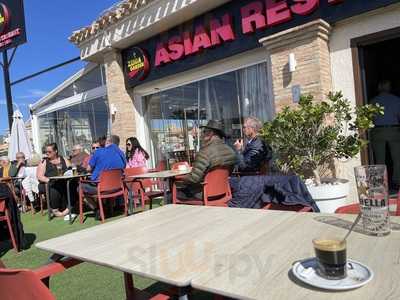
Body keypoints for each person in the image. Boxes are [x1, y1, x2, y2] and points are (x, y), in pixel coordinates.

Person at [175, 120, 237, 200]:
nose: (202, 134)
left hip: (205, 193)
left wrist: (180, 178)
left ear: (210, 133)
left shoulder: (204, 152)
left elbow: (194, 179)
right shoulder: (230, 151)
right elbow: (228, 173)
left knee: (173, 194)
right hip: (223, 191)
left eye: (204, 131)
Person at [370, 80, 400, 190]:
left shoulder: (373, 101)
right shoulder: (396, 100)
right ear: (389, 87)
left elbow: (370, 118)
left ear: (379, 87)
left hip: (378, 131)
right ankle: (397, 181)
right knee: (397, 158)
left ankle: (380, 183)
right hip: (393, 129)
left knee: (379, 159)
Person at [37, 143, 72, 217]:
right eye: (46, 152)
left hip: (63, 181)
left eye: (49, 152)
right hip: (48, 183)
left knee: (74, 184)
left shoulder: (63, 159)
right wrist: (49, 180)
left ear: (55, 151)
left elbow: (70, 169)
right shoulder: (44, 162)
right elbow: (39, 176)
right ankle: (55, 209)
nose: (47, 153)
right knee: (54, 186)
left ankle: (70, 206)